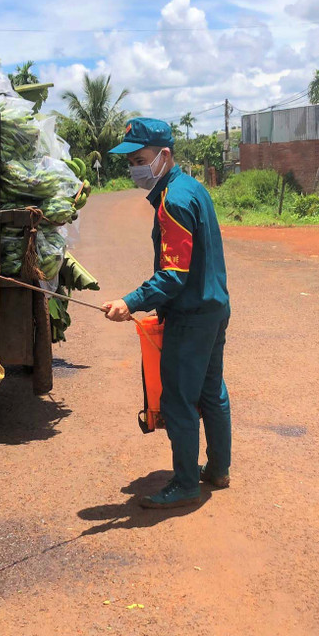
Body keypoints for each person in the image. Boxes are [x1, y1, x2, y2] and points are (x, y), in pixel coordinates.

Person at [102, 117, 232, 509]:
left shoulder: (173, 201)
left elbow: (173, 275)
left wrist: (131, 301)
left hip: (191, 314)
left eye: (139, 159)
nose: (134, 169)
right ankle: (218, 469)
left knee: (178, 399)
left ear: (164, 156)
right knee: (211, 391)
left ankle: (186, 483)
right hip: (214, 306)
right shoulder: (192, 188)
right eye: (129, 162)